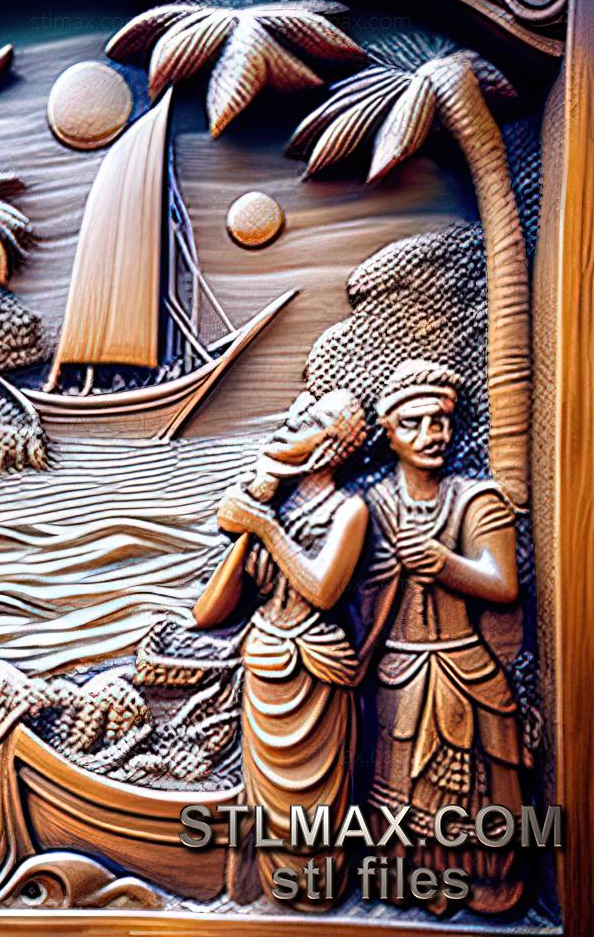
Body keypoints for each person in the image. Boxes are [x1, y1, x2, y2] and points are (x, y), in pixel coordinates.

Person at [359, 359, 527, 915]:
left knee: (473, 791)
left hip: (465, 672)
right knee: (398, 790)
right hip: (398, 675)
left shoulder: (476, 500)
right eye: (413, 423)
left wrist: (445, 564)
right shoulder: (371, 507)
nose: (430, 435)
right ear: (388, 431)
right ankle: (407, 881)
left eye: (440, 422)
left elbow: (503, 584)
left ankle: (481, 885)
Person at [204, 389, 369, 908]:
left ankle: (315, 897)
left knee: (316, 808)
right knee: (265, 803)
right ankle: (268, 892)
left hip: (316, 672)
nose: (289, 428)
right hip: (263, 666)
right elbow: (209, 613)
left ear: (332, 446)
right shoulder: (275, 506)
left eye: (308, 423)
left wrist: (264, 526)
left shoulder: (349, 510)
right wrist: (254, 513)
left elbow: (323, 590)